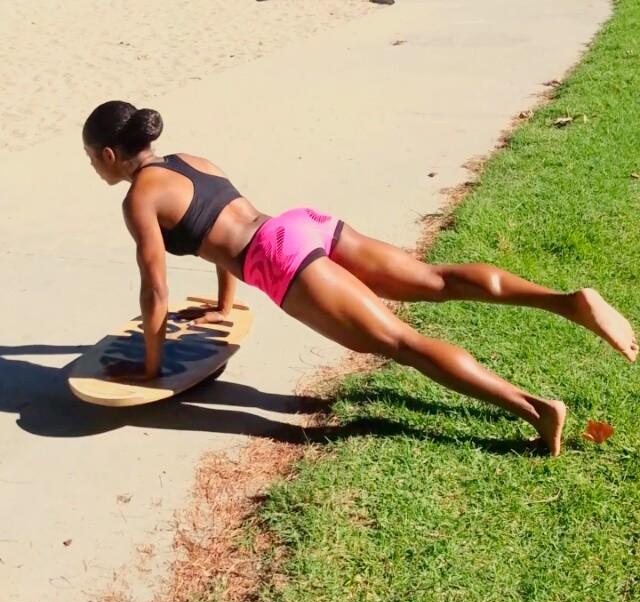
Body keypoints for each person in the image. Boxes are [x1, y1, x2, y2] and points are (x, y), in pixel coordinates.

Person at [82, 100, 637, 456]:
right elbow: (215, 226)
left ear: (110, 154)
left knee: (403, 343)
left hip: (279, 260)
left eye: (91, 158)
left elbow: (156, 289)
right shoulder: (190, 160)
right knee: (436, 279)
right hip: (300, 224)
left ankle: (536, 409)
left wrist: (151, 368)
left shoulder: (139, 199)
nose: (92, 167)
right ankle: (567, 301)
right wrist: (224, 308)